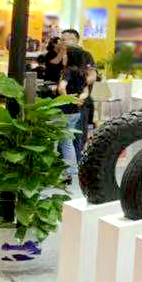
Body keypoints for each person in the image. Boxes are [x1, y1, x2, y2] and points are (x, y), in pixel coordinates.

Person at [56, 48, 95, 182]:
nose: (63, 57)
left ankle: (69, 171)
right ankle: (69, 170)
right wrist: (78, 100)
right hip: (76, 112)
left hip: (65, 111)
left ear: (70, 57)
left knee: (65, 142)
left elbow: (61, 87)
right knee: (68, 141)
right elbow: (85, 91)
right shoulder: (82, 72)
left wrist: (67, 99)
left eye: (65, 55)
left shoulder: (67, 71)